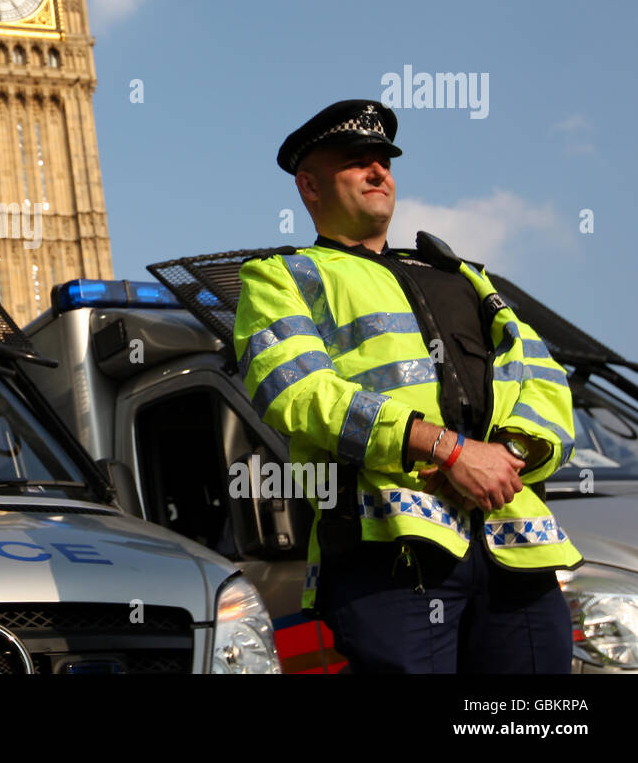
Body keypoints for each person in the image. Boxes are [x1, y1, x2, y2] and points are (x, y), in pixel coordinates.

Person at [233, 99, 581, 673]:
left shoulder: (462, 275)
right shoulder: (283, 275)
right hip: (388, 556)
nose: (379, 172)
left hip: (516, 543)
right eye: (356, 161)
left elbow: (543, 378)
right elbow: (297, 393)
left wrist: (508, 456)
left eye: (385, 161)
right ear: (310, 185)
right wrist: (451, 451)